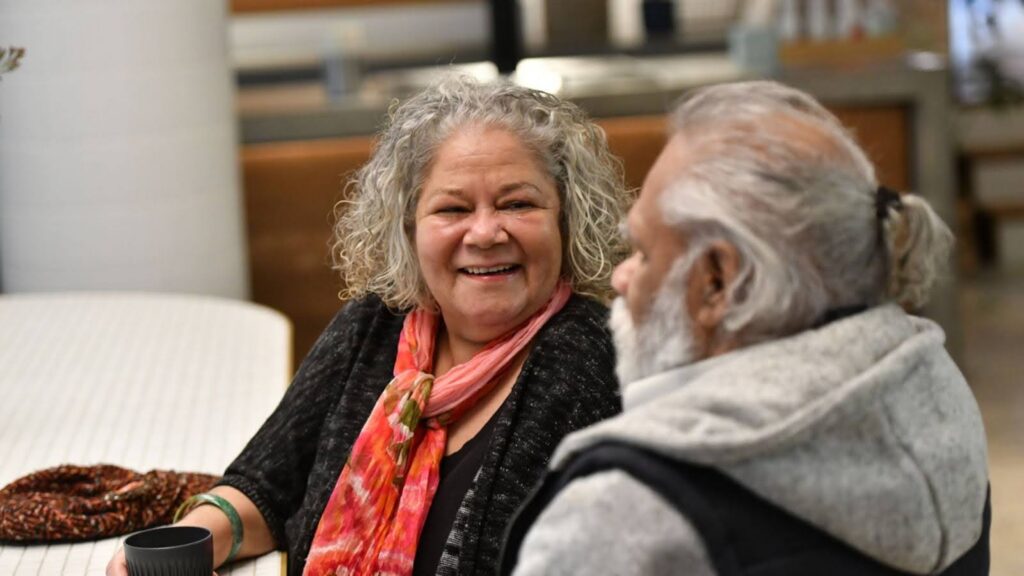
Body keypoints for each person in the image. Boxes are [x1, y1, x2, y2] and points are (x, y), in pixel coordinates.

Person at [108, 76, 628, 576]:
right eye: (453, 208)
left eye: (518, 204)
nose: (486, 232)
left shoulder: (591, 361)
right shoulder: (376, 326)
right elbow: (267, 489)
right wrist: (185, 546)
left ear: (566, 220)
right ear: (409, 229)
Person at [501, 81, 990, 575]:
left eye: (644, 253)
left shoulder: (628, 510)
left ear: (718, 281)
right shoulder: (938, 393)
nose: (620, 278)